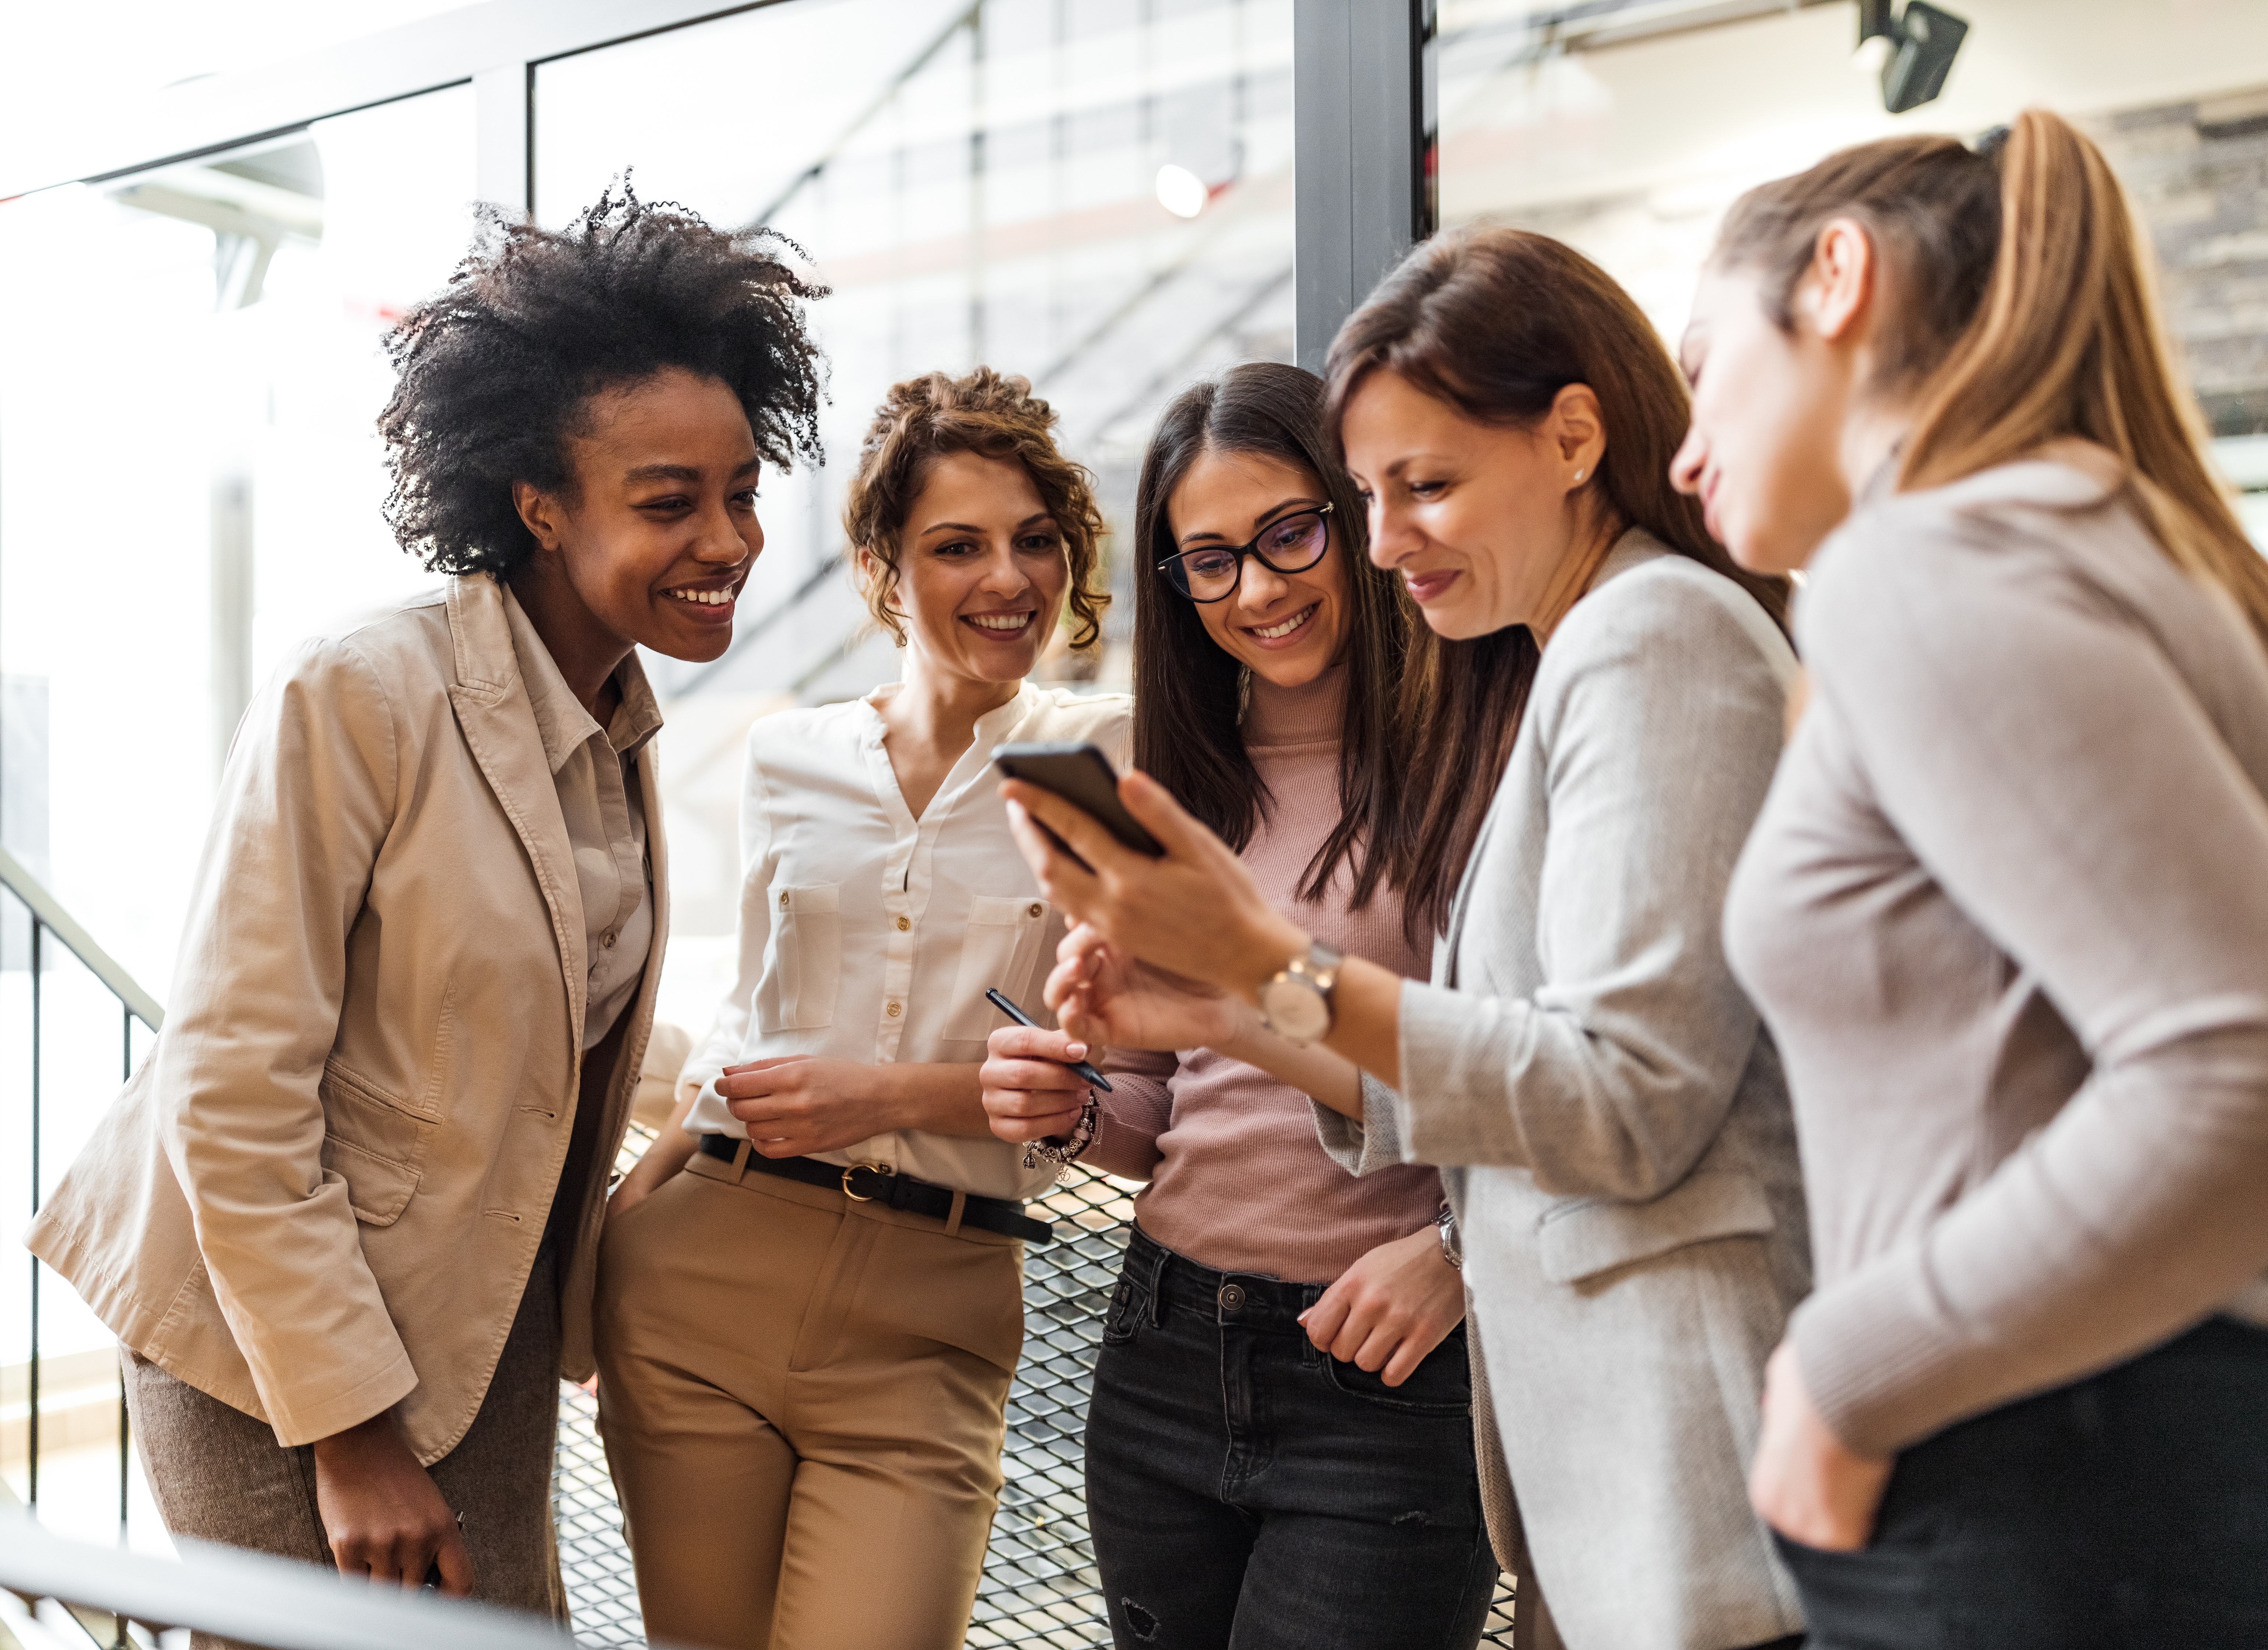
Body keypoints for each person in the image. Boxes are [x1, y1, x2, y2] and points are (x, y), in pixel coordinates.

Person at [1675, 112, 2268, 1646]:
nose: (1685, 445)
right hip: (2261, 1463)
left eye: (1705, 368)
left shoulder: (1922, 564)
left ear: (1836, 277)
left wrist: (1847, 1371)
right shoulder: (2177, 576)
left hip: (2075, 1502)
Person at [998, 228, 1811, 1650]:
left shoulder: (1637, 646)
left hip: (1540, 1394)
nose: (1378, 546)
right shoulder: (1585, 655)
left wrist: (1260, 980)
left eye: (1415, 489)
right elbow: (1524, 1067)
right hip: (1188, 1340)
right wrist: (1200, 1030)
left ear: (1574, 439)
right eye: (1372, 497)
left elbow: (1624, 1096)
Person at [24, 185, 821, 1623]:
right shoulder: (365, 692)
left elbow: (531, 1014)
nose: (729, 540)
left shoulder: (613, 720)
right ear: (538, 504)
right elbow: (232, 1088)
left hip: (477, 1323)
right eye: (669, 503)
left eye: (743, 492)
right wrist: (349, 1434)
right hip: (273, 1345)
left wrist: (759, 1087)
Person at [593, 366, 1128, 1650]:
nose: (1009, 578)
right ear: (885, 566)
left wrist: (884, 1096)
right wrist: (645, 1191)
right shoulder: (789, 758)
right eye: (958, 546)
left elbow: (1115, 1068)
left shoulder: (1108, 759)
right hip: (706, 1269)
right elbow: (751, 1010)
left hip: (936, 1313)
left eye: (1035, 540)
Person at [979, 361, 1496, 1649]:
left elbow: (1546, 1079)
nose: (1257, 590)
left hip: (1386, 1371)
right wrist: (1068, 1104)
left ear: (1357, 516)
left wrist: (1461, 1255)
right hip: (1162, 1343)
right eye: (1211, 562)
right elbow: (1165, 1106)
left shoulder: (1478, 764)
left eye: (1288, 535)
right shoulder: (1172, 785)